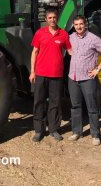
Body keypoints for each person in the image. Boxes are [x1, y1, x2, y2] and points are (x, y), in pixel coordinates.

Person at [29, 8, 72, 142]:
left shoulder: (63, 34)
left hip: (56, 74)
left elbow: (71, 51)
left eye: (54, 17)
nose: (52, 20)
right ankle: (39, 130)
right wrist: (32, 71)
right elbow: (34, 52)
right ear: (46, 19)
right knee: (39, 102)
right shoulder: (40, 33)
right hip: (41, 73)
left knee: (55, 103)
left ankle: (54, 129)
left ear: (57, 18)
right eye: (50, 18)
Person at [68, 15, 101, 146]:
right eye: (76, 24)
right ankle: (76, 132)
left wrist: (97, 69)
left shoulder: (93, 38)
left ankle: (95, 135)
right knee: (75, 106)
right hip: (73, 77)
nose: (79, 27)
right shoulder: (71, 37)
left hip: (87, 78)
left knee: (92, 108)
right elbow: (67, 48)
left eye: (81, 24)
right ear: (74, 26)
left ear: (85, 24)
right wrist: (70, 52)